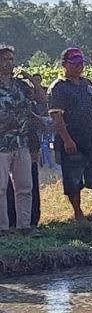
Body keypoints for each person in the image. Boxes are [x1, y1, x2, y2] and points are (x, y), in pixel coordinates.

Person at [49, 47, 92, 220]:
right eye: (74, 64)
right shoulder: (59, 87)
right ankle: (78, 213)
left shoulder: (87, 84)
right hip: (73, 141)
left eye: (81, 63)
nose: (79, 67)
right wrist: (67, 140)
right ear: (64, 65)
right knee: (74, 180)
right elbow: (57, 117)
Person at [0, 46, 42, 233]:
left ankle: (24, 226)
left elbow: (42, 98)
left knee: (25, 186)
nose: (9, 63)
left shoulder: (20, 86)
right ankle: (3, 228)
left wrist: (31, 79)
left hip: (21, 142)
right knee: (0, 189)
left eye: (11, 59)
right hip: (1, 144)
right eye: (5, 59)